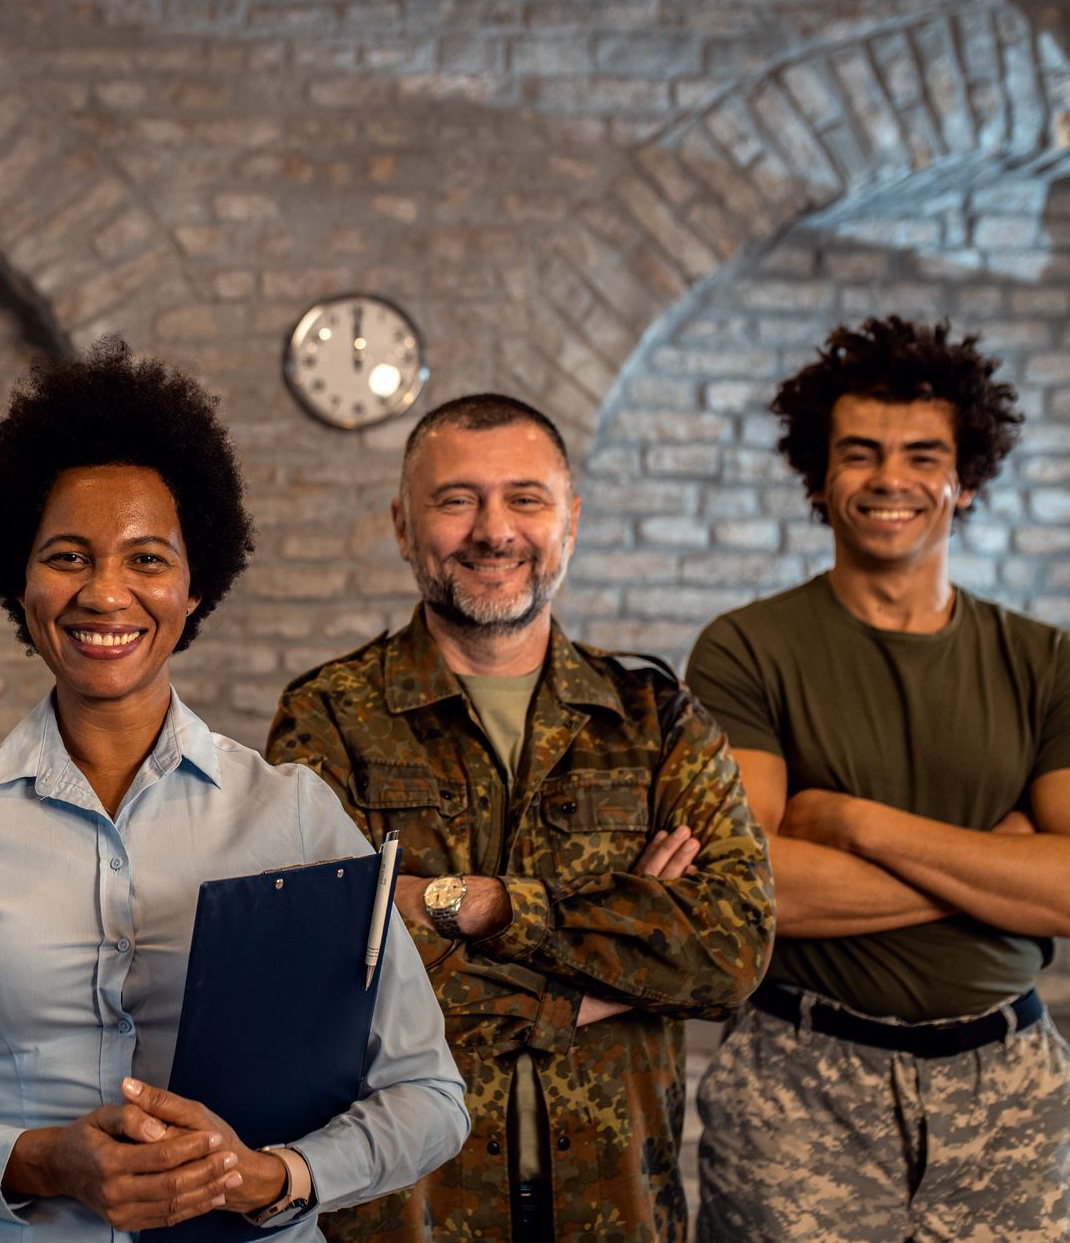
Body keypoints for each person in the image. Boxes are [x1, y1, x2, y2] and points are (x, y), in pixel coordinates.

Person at [0, 340, 469, 1240]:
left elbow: (430, 1094)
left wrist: (273, 1176)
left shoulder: (296, 816)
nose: (105, 592)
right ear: (20, 580)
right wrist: (33, 1159)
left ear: (195, 587)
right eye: (68, 555)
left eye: (148, 558)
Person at [266, 393, 775, 1243]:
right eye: (456, 498)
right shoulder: (329, 716)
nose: (493, 530)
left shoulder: (653, 718)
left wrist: (479, 904)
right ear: (402, 525)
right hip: (409, 1208)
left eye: (525, 499)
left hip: (618, 1209)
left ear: (569, 520)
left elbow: (732, 946)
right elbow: (320, 964)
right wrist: (606, 974)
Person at [686, 316, 1070, 1241]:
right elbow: (746, 891)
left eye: (922, 454)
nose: (890, 478)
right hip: (800, 1078)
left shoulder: (1045, 660)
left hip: (1010, 1086)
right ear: (820, 478)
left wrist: (855, 823)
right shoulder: (746, 650)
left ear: (964, 480)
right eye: (859, 453)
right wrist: (995, 867)